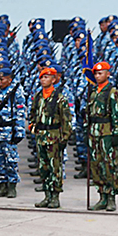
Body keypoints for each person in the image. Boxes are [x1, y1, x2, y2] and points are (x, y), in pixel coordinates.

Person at [28, 67, 73, 209]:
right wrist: (33, 126)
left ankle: (55, 196)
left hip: (54, 136)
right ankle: (47, 195)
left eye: (46, 77)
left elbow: (66, 120)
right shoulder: (39, 96)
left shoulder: (60, 98)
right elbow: (33, 113)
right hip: (41, 136)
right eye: (42, 77)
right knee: (43, 167)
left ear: (54, 79)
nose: (43, 80)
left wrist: (64, 138)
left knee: (55, 168)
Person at [85, 61, 118, 211]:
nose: (97, 76)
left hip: (106, 132)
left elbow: (117, 114)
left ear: (108, 74)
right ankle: (102, 195)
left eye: (101, 73)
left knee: (109, 165)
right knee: (96, 164)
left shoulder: (112, 92)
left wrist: (116, 133)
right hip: (93, 132)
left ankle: (111, 196)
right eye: (95, 73)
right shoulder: (93, 91)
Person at [0, 67, 25, 199]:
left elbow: (20, 113)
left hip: (9, 131)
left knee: (11, 159)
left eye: (2, 79)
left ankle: (12, 186)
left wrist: (19, 132)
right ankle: (2, 184)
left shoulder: (16, 92)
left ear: (10, 79)